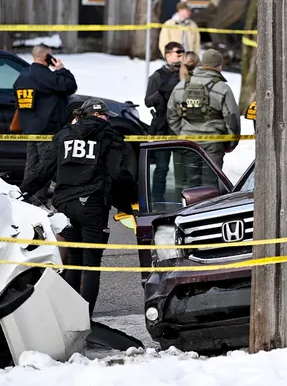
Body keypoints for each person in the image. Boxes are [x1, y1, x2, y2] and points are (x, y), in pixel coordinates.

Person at [19, 98, 137, 317]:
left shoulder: (63, 135)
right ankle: (85, 319)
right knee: (91, 263)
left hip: (64, 205)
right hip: (91, 204)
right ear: (100, 116)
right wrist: (133, 200)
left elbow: (43, 169)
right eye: (106, 116)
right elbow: (118, 174)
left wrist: (23, 190)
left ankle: (69, 316)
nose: (108, 119)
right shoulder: (109, 137)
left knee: (73, 258)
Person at [13, 43, 78, 203]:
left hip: (29, 130)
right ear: (46, 57)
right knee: (45, 166)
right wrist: (61, 69)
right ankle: (38, 200)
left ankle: (27, 198)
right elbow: (70, 86)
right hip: (46, 130)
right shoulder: (46, 75)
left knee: (31, 166)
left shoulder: (23, 76)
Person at [167, 48, 241, 186]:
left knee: (191, 185)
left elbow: (171, 114)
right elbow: (232, 119)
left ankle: (192, 208)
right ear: (219, 66)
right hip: (213, 143)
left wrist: (182, 134)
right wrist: (230, 143)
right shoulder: (222, 88)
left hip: (189, 143)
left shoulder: (182, 85)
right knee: (211, 185)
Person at [145, 41, 183, 203]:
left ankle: (183, 200)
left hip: (181, 127)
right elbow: (147, 101)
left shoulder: (185, 74)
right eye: (178, 53)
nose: (181, 56)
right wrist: (160, 93)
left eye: (183, 53)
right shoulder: (157, 76)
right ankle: (157, 201)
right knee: (162, 168)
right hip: (162, 127)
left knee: (183, 170)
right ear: (168, 55)